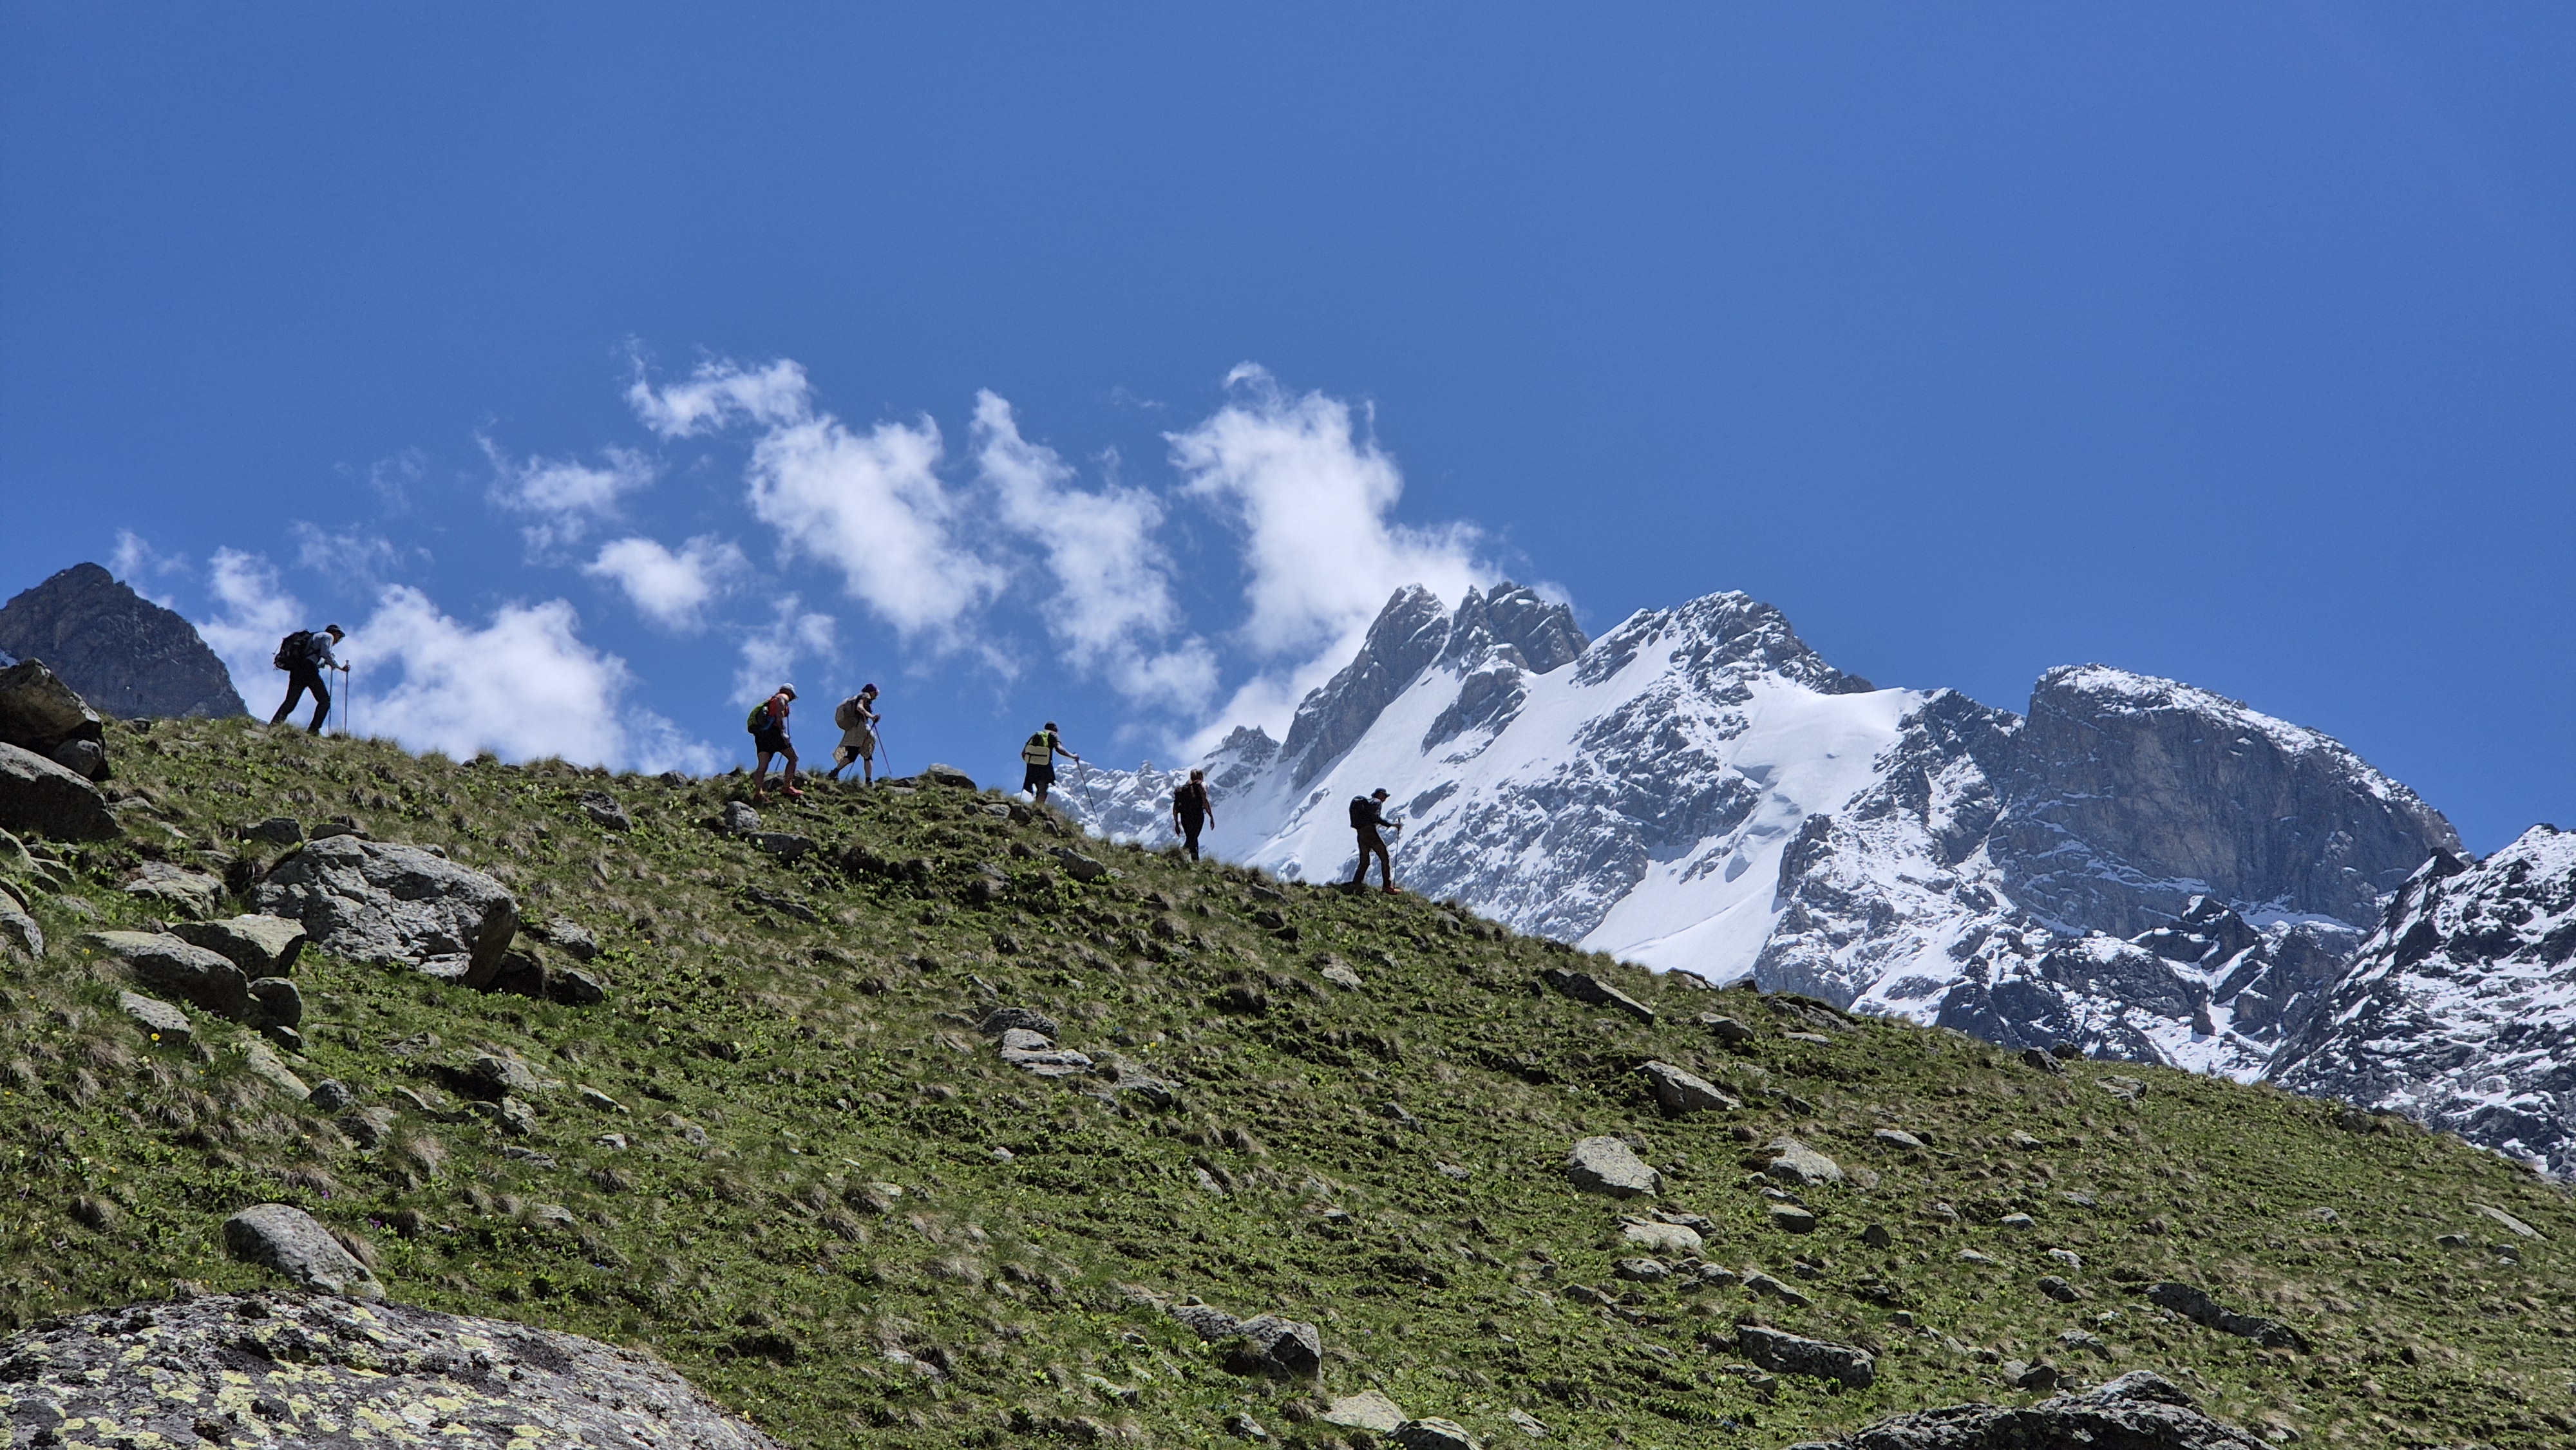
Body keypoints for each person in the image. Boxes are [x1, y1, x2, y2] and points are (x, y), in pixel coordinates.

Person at [269, 625, 345, 735]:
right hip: (309, 668)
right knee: (324, 701)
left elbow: (318, 658)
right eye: (339, 636)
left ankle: (274, 725)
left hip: (297, 669)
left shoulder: (315, 636)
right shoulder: (328, 636)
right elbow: (325, 654)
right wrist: (338, 667)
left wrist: (326, 663)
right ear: (335, 633)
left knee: (291, 701)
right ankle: (313, 730)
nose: (338, 640)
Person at [748, 683, 803, 800]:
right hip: (774, 732)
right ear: (790, 693)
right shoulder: (783, 697)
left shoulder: (770, 700)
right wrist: (783, 732)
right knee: (793, 758)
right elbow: (780, 713)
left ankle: (759, 792)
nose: (792, 699)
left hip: (761, 735)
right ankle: (787, 787)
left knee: (762, 766)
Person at [824, 683, 880, 785]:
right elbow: (859, 707)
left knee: (852, 756)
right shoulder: (865, 695)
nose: (876, 695)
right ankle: (868, 781)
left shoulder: (859, 696)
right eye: (875, 693)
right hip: (861, 730)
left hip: (853, 731)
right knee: (868, 755)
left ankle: (834, 772)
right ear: (872, 691)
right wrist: (872, 717)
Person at [1349, 787, 1403, 893]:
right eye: (1385, 796)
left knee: (1364, 861)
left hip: (1361, 833)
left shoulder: (1366, 804)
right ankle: (1387, 887)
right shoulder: (1377, 802)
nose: (1385, 799)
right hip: (1369, 831)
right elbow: (1376, 818)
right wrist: (1391, 825)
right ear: (1380, 795)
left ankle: (1356, 884)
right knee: (1384, 856)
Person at [1020, 720, 1081, 805]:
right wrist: (1073, 756)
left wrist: (1032, 761)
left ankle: (1023, 808)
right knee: (1042, 790)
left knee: (1029, 789)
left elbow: (1023, 753)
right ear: (1055, 729)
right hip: (1045, 767)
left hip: (1031, 766)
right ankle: (1038, 809)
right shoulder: (1053, 735)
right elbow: (1059, 749)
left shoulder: (1036, 735)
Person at [1171, 768, 1215, 862]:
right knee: (1192, 838)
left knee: (1192, 837)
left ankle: (1195, 860)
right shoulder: (1200, 785)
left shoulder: (1182, 790)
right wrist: (1211, 816)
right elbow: (1205, 800)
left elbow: (1175, 808)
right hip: (1197, 815)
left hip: (1184, 817)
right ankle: (1178, 854)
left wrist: (1176, 824)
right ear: (1200, 776)